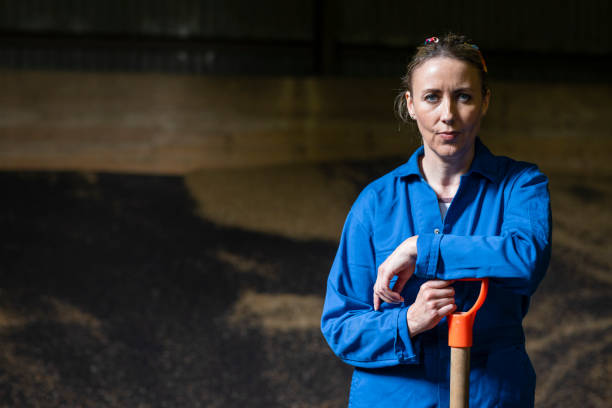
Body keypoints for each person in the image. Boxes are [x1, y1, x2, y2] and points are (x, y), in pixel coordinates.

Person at [320, 33, 551, 407]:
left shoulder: (520, 186)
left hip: (490, 395)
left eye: (464, 96)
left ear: (484, 101)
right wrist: (408, 322)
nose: (448, 114)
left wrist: (420, 248)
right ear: (410, 105)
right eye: (432, 97)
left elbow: (526, 258)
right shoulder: (377, 202)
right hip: (395, 397)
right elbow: (340, 326)